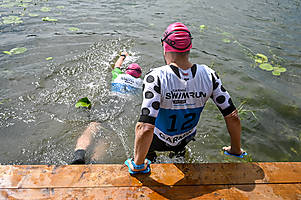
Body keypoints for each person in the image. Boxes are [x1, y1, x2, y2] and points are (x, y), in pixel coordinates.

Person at [125, 22, 246, 174]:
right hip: (184, 138)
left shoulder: (155, 77)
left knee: (148, 160)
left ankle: (142, 165)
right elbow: (232, 116)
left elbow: (145, 127)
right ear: (190, 47)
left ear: (164, 46)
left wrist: (137, 165)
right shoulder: (209, 75)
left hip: (157, 140)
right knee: (180, 157)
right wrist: (235, 149)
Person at [71, 52, 143, 164]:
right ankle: (94, 162)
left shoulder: (118, 75)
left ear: (127, 71)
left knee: (93, 125)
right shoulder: (140, 82)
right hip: (124, 106)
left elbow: (117, 65)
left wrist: (122, 56)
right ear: (139, 75)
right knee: (110, 134)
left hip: (110, 101)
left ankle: (79, 154)